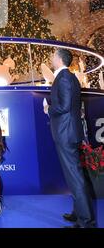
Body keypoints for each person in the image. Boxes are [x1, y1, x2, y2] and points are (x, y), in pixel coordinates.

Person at [43, 48, 96, 228]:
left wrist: (48, 109)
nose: (51, 57)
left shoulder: (64, 78)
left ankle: (86, 222)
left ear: (59, 59)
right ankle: (79, 213)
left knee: (75, 177)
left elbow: (64, 106)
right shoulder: (69, 77)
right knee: (75, 176)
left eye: (53, 55)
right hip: (69, 132)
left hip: (66, 133)